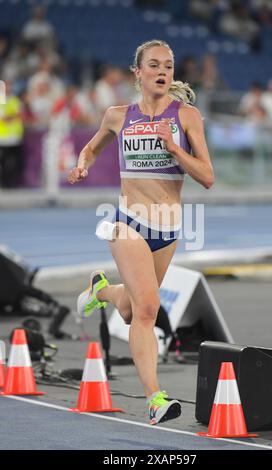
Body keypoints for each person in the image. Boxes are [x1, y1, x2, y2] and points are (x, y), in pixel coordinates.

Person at [68, 39, 214, 425]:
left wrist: (175, 149)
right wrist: (82, 164)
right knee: (149, 309)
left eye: (168, 65)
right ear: (138, 73)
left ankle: (102, 291)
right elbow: (92, 149)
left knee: (132, 311)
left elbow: (207, 177)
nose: (163, 71)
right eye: (154, 65)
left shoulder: (187, 116)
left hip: (168, 228)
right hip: (127, 222)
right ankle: (155, 400)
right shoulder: (118, 115)